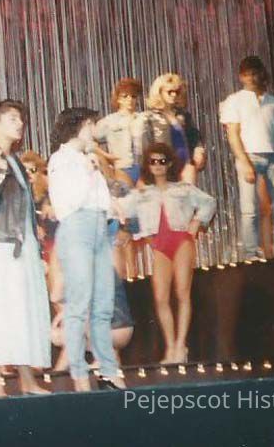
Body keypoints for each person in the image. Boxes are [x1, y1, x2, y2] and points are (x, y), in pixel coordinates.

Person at [0, 99, 50, 397]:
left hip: (20, 244)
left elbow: (24, 208)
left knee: (22, 311)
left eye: (20, 118)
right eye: (12, 118)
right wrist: (0, 172)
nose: (20, 123)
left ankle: (27, 378)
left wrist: (36, 247)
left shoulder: (13, 159)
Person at [47, 107, 126, 391]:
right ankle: (79, 372)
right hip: (76, 228)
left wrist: (113, 206)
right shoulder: (61, 159)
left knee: (103, 303)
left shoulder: (86, 159)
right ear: (80, 127)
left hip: (99, 229)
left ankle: (108, 369)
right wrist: (89, 171)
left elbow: (99, 198)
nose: (95, 132)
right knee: (78, 304)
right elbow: (68, 203)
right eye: (92, 125)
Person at [117, 143, 216, 364]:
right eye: (153, 161)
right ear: (147, 165)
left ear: (169, 163)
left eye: (162, 161)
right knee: (161, 297)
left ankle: (181, 346)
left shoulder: (182, 188)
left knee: (182, 292)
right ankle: (170, 347)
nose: (157, 165)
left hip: (181, 242)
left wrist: (197, 222)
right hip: (160, 247)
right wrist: (125, 228)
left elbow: (209, 202)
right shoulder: (142, 194)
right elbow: (120, 208)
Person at [219, 56, 274, 260]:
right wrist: (244, 162)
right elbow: (233, 135)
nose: (251, 78)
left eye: (254, 73)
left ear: (261, 74)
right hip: (249, 157)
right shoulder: (234, 100)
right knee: (249, 210)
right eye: (246, 74)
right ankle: (250, 254)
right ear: (240, 77)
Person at [141, 73, 206, 184]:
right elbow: (145, 145)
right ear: (160, 92)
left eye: (177, 91)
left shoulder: (184, 115)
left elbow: (194, 137)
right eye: (170, 91)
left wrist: (199, 149)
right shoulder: (150, 117)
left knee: (188, 188)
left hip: (184, 163)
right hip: (162, 163)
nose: (174, 95)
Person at [94, 78, 145, 184]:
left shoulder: (143, 118)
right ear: (118, 99)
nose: (130, 100)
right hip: (122, 168)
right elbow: (90, 140)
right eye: (125, 96)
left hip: (144, 168)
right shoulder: (109, 121)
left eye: (133, 96)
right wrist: (106, 156)